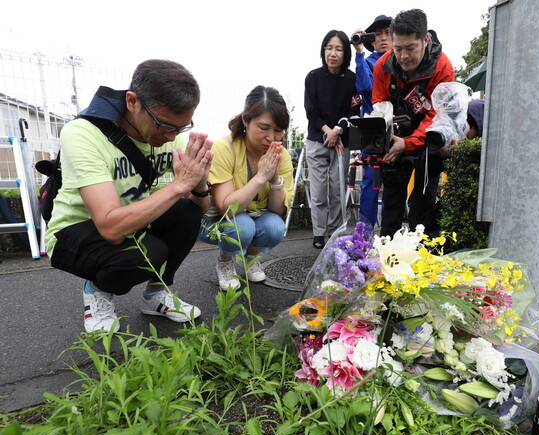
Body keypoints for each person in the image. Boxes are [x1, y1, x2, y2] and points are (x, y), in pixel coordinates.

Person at [45, 59, 213, 334]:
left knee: (187, 212)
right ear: (132, 101)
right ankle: (97, 291)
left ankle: (156, 294)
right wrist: (178, 185)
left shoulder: (169, 138)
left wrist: (198, 179)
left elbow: (201, 208)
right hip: (75, 231)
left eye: (180, 128)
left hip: (133, 222)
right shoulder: (83, 134)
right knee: (149, 253)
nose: (171, 138)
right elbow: (111, 228)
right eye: (164, 125)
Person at [198, 86, 294, 291]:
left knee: (276, 226)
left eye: (278, 130)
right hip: (215, 222)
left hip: (254, 215)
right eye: (264, 127)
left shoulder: (281, 154)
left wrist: (274, 177)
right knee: (242, 226)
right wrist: (260, 177)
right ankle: (225, 262)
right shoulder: (223, 147)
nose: (272, 137)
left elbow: (277, 211)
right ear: (245, 121)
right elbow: (227, 208)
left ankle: (250, 259)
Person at [371, 9, 455, 238]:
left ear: (425, 40)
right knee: (391, 195)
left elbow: (439, 115)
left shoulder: (442, 67)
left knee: (422, 198)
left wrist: (408, 144)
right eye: (398, 49)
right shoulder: (382, 66)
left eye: (411, 48)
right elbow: (380, 104)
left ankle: (422, 252)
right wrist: (388, 137)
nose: (404, 56)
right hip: (397, 133)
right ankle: (387, 249)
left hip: (430, 136)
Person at [304, 29, 361, 249]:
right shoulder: (313, 77)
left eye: (338, 48)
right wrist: (328, 131)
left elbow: (354, 109)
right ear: (323, 50)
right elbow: (311, 110)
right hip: (317, 141)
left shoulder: (352, 79)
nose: (333, 53)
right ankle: (319, 234)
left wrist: (337, 130)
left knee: (338, 190)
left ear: (345, 52)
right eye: (329, 48)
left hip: (341, 143)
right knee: (318, 193)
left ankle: (335, 232)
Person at [352, 14, 392, 228]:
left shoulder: (403, 62)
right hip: (374, 134)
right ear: (372, 40)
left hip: (397, 132)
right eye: (378, 34)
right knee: (371, 183)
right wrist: (358, 53)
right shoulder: (367, 62)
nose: (383, 38)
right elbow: (364, 88)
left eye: (387, 33)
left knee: (394, 184)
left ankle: (389, 234)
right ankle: (365, 236)